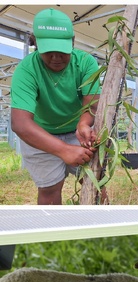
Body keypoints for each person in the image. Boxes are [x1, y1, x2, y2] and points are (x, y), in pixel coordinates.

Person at [10, 8, 101, 205]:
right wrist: (63, 150)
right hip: (41, 135)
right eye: (48, 51)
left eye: (61, 50)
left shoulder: (85, 63)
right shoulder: (26, 70)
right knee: (49, 189)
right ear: (36, 44)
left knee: (94, 181)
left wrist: (84, 124)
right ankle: (51, 230)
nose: (55, 57)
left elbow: (92, 103)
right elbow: (20, 123)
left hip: (79, 134)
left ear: (72, 43)